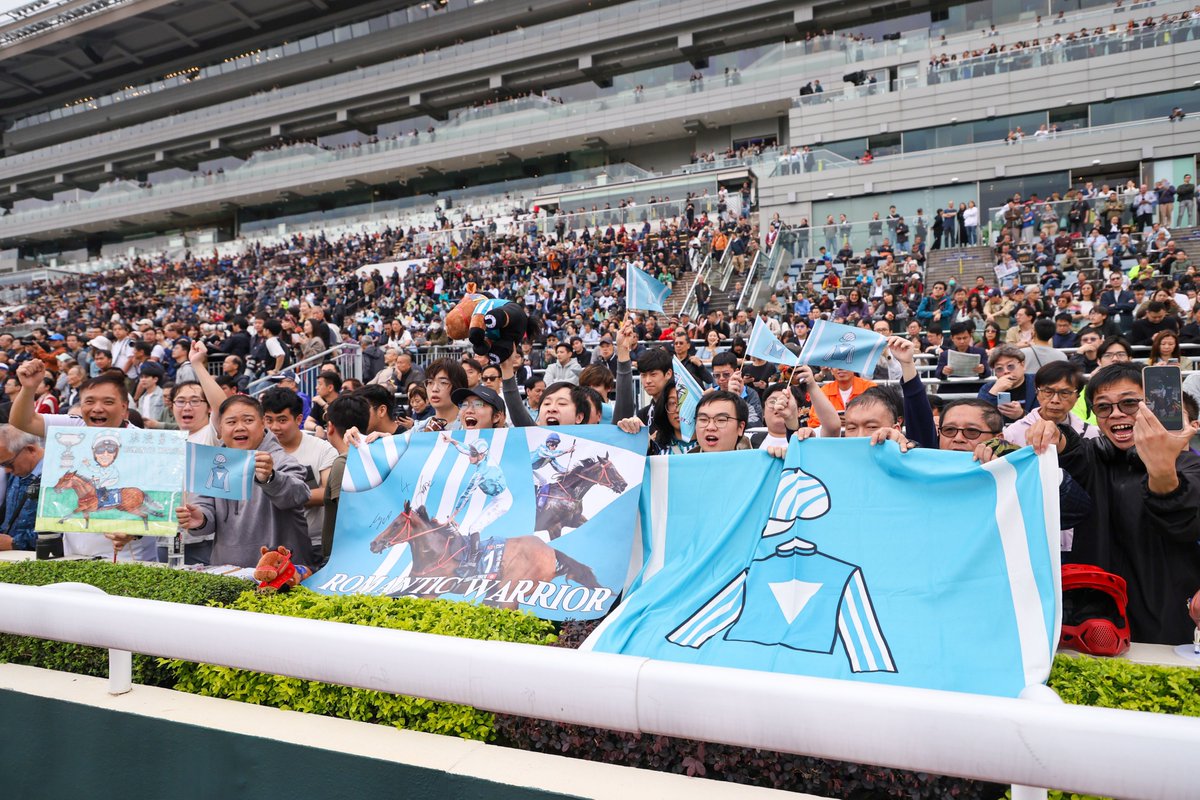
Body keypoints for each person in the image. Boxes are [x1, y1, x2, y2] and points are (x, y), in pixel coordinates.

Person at [1026, 364, 1200, 644]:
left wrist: (1161, 465)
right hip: (1096, 617)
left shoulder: (1191, 466)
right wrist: (1053, 434)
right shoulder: (1094, 457)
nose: (1116, 413)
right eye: (1103, 407)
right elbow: (1071, 450)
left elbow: (1182, 520)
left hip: (1168, 617)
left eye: (1129, 403)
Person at [175, 395, 312, 568]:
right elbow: (204, 511)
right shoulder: (213, 463)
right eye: (231, 422)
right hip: (226, 572)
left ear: (263, 423)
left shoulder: (279, 460)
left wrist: (271, 478)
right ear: (220, 428)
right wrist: (199, 519)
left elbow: (299, 495)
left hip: (280, 573)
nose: (240, 427)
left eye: (248, 420)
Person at [261, 387, 338, 559]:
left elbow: (328, 492)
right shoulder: (256, 450)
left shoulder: (322, 449)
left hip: (313, 542)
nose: (274, 427)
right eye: (269, 420)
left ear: (299, 419)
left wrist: (283, 495)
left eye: (282, 420)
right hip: (266, 544)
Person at [320, 395, 371, 561]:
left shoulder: (343, 463)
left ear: (330, 427)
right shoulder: (369, 458)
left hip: (343, 558)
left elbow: (346, 516)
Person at [1003, 362, 1099, 447]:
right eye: (1048, 392)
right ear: (1037, 393)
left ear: (1077, 397)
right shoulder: (1013, 434)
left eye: (1064, 393)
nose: (1055, 400)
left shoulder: (1091, 433)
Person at [0, 425, 44, 552]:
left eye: (8, 464)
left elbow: (61, 529)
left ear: (30, 450)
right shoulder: (19, 472)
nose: (7, 470)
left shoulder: (57, 478)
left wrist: (16, 542)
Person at [978, 345, 1038, 422]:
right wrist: (993, 393)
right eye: (999, 368)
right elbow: (979, 417)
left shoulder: (1037, 382)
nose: (1006, 371)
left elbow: (1046, 418)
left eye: (1010, 366)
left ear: (1022, 365)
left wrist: (1022, 415)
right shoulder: (988, 389)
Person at [807, 368, 876, 428]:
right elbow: (814, 422)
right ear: (831, 371)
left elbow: (878, 416)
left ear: (854, 368)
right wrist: (833, 422)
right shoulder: (824, 391)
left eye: (845, 364)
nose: (840, 368)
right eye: (836, 365)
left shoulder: (869, 388)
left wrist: (853, 420)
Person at [711, 351, 762, 427]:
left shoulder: (750, 394)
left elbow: (757, 422)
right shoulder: (711, 395)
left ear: (737, 372)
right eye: (717, 375)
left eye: (726, 374)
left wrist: (736, 399)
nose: (721, 378)